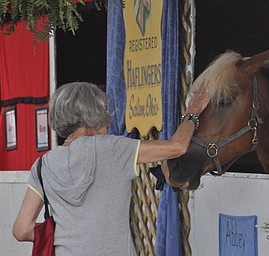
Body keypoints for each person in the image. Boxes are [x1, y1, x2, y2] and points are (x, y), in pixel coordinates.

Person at [12, 81, 209, 256]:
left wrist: (67, 234)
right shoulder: (112, 148)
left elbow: (22, 230)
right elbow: (177, 147)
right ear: (93, 115)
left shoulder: (43, 165)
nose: (108, 120)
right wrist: (193, 112)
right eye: (104, 112)